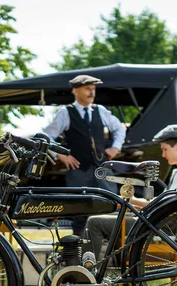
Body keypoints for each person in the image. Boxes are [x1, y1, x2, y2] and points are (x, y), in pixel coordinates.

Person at [85, 124, 177, 258]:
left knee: (94, 222)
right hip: (157, 223)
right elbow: (164, 203)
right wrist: (132, 202)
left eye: (165, 149)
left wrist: (133, 201)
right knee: (114, 214)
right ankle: (108, 262)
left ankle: (89, 267)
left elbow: (166, 205)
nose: (163, 155)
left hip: (158, 228)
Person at [44, 74, 126, 236]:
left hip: (103, 172)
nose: (92, 92)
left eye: (93, 89)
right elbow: (46, 136)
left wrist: (115, 148)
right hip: (79, 173)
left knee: (111, 209)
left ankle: (110, 254)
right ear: (75, 90)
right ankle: (77, 254)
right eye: (87, 89)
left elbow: (120, 128)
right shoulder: (66, 113)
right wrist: (61, 155)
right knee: (79, 214)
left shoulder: (100, 111)